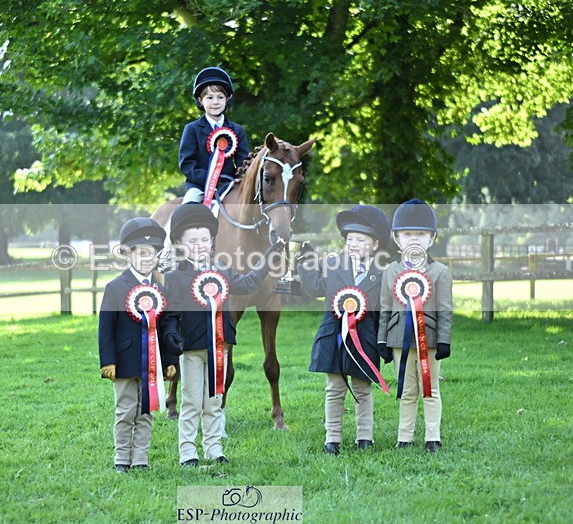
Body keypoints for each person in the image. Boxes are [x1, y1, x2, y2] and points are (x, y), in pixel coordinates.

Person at [162, 203, 282, 466]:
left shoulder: (222, 272)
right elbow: (169, 315)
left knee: (214, 400)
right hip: (191, 349)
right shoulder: (174, 278)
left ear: (212, 241)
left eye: (204, 239)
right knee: (192, 401)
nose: (200, 245)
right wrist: (171, 336)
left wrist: (266, 261)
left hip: (218, 347)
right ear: (180, 244)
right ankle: (187, 452)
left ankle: (214, 447)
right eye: (193, 240)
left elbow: (249, 283)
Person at [297, 205, 391, 455]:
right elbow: (316, 288)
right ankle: (332, 439)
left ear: (374, 244)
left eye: (360, 240)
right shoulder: (334, 265)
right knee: (334, 389)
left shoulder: (381, 274)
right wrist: (306, 263)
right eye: (350, 239)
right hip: (334, 338)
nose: (354, 244)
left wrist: (384, 342)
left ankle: (364, 437)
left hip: (365, 339)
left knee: (362, 388)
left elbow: (384, 312)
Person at [98, 217, 180, 473]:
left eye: (153, 254)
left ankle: (141, 458)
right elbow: (105, 328)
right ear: (127, 254)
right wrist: (108, 361)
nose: (147, 258)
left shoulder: (160, 289)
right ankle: (122, 458)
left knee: (146, 412)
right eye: (141, 253)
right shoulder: (114, 287)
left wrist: (169, 362)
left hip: (153, 363)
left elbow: (165, 327)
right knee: (125, 411)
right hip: (124, 363)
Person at [377, 199, 452, 453]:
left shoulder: (440, 271)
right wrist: (382, 340)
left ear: (431, 238)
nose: (414, 239)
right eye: (408, 234)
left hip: (428, 339)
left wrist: (444, 340)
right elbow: (385, 309)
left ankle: (433, 436)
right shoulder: (390, 271)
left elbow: (445, 309)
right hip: (399, 338)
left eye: (421, 234)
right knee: (406, 391)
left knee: (430, 389)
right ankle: (404, 438)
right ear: (397, 239)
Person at [179, 66, 250, 204]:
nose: (215, 102)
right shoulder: (192, 129)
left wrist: (235, 179)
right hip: (199, 186)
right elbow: (187, 164)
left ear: (227, 98)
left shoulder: (237, 130)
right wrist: (211, 178)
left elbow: (244, 163)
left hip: (230, 185)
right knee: (187, 208)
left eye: (220, 97)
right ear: (200, 100)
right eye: (210, 98)